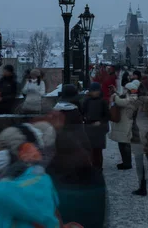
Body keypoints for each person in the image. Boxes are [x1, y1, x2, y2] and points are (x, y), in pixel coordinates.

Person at [49, 84, 106, 228]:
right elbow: (82, 137)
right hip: (76, 161)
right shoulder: (74, 114)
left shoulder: (54, 113)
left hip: (59, 162)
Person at [110, 81, 137, 170]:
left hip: (126, 124)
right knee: (122, 144)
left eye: (125, 88)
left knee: (125, 144)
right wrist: (116, 92)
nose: (124, 90)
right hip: (123, 123)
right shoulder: (130, 96)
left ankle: (127, 163)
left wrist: (114, 95)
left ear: (129, 90)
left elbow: (122, 102)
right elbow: (122, 97)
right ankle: (125, 162)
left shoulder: (133, 98)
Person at [83, 82, 110, 170]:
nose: (95, 93)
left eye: (97, 91)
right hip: (89, 128)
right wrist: (86, 119)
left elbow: (107, 116)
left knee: (98, 150)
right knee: (90, 150)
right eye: (93, 91)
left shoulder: (103, 102)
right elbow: (83, 113)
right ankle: (92, 167)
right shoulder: (86, 101)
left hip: (99, 129)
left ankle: (98, 167)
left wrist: (101, 122)